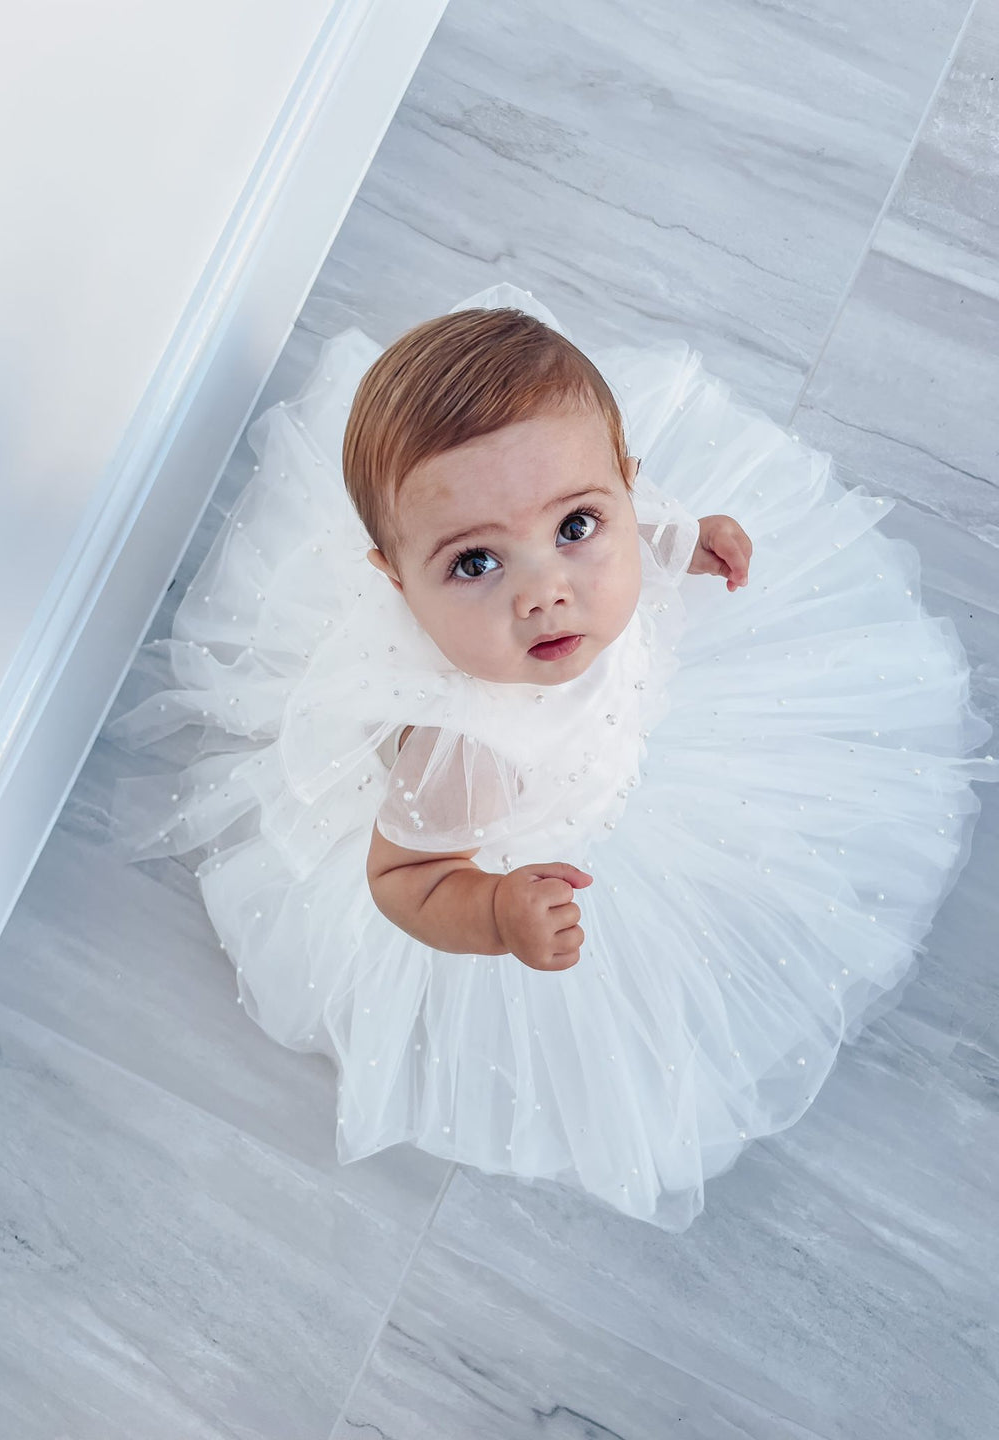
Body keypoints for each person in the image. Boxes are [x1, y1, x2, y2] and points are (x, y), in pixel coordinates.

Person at [104, 283, 997, 1230]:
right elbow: (402, 878)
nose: (545, 592)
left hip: (607, 720)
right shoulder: (462, 751)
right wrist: (493, 908)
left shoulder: (602, 527)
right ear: (397, 581)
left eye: (577, 528)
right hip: (525, 814)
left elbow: (635, 528)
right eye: (475, 563)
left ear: (622, 487)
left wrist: (688, 543)